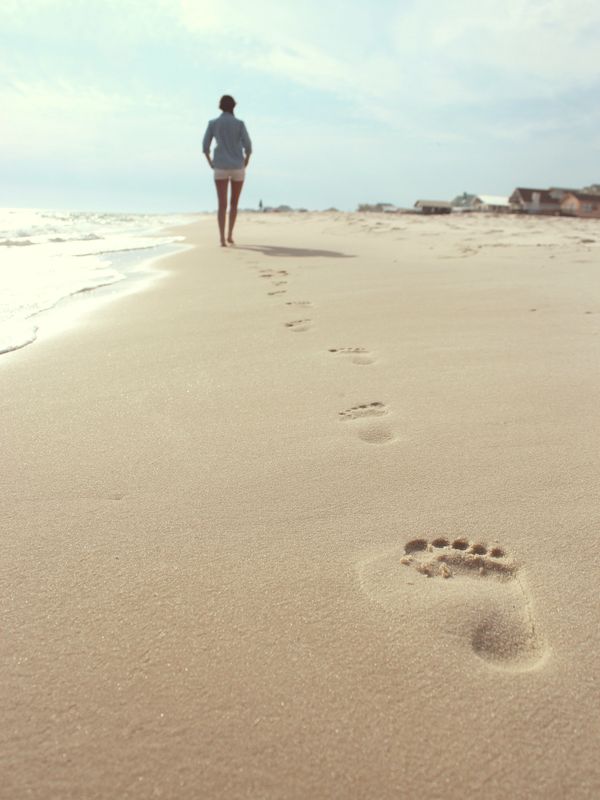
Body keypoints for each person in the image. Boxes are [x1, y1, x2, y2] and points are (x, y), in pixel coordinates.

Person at [202, 95, 252, 246]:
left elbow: (205, 147)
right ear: (233, 107)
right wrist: (246, 161)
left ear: (220, 106)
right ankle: (230, 235)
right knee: (234, 203)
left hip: (220, 166)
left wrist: (211, 162)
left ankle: (222, 239)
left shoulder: (213, 123)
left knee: (222, 204)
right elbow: (248, 147)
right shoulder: (240, 124)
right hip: (238, 165)